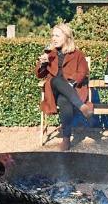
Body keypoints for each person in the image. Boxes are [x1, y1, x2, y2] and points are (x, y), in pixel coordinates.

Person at [36, 23, 95, 151]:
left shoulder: (78, 54)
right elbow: (40, 75)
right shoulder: (49, 54)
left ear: (67, 37)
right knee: (56, 80)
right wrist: (42, 64)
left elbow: (83, 72)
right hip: (54, 91)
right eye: (53, 35)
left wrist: (71, 83)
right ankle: (82, 107)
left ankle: (66, 139)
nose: (54, 38)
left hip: (71, 91)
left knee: (64, 101)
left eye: (57, 35)